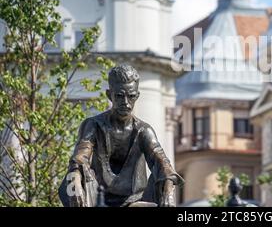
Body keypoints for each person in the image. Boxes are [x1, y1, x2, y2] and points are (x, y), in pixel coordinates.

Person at [59, 65, 183, 207]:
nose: (125, 102)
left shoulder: (143, 131)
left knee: (162, 178)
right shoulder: (93, 125)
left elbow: (162, 162)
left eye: (130, 96)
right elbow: (80, 158)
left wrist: (168, 192)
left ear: (137, 96)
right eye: (119, 96)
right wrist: (75, 182)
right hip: (98, 199)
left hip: (135, 200)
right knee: (73, 178)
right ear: (109, 95)